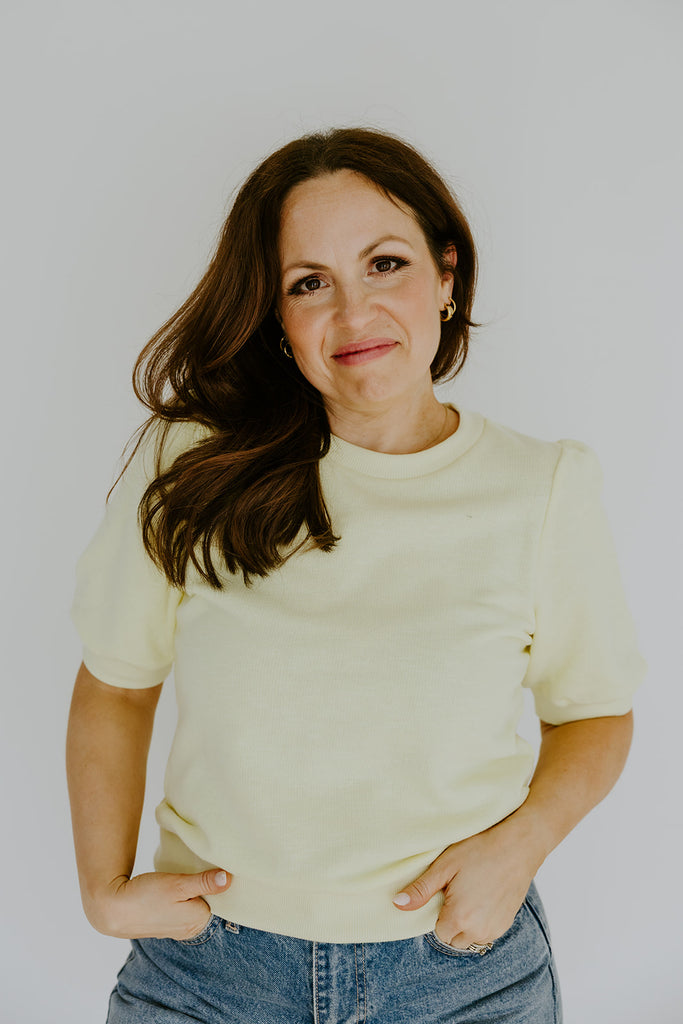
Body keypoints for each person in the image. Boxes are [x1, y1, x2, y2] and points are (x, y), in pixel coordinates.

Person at [66, 126, 646, 1024]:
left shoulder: (542, 486)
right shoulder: (192, 462)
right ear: (276, 315)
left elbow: (594, 713)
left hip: (460, 970)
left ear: (446, 276)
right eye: (309, 283)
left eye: (385, 264)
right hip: (209, 971)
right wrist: (103, 891)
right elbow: (115, 686)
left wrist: (520, 847)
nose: (353, 311)